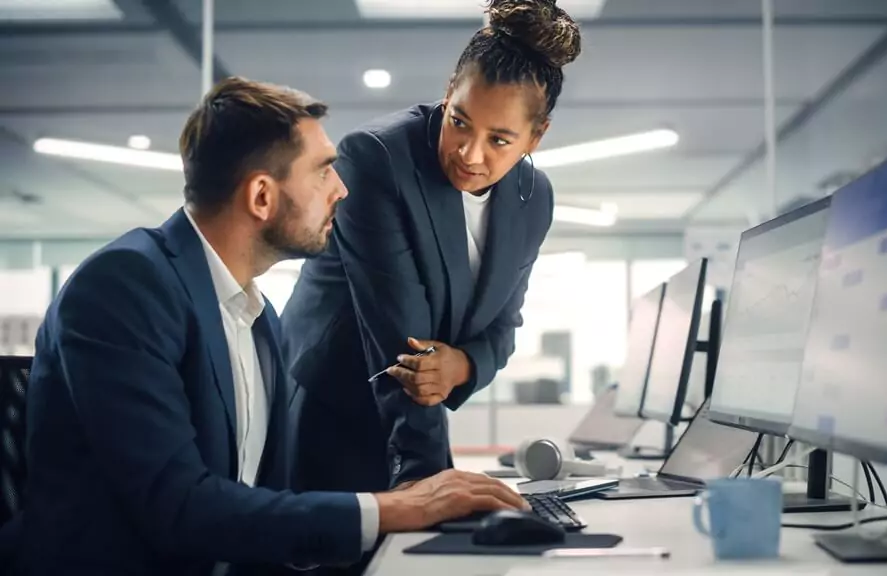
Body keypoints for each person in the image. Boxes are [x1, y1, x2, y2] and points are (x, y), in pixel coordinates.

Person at [17, 76, 527, 575]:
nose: (342, 190)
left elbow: (262, 508)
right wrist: (397, 508)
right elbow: (178, 507)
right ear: (262, 196)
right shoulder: (126, 287)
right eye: (324, 172)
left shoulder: (257, 318)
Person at [280, 0, 583, 494]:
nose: (470, 153)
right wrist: (429, 482)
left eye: (500, 140)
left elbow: (503, 325)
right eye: (460, 121)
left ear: (536, 136)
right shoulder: (377, 159)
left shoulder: (535, 199)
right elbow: (402, 342)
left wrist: (463, 364)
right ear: (447, 92)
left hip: (414, 412)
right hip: (331, 406)